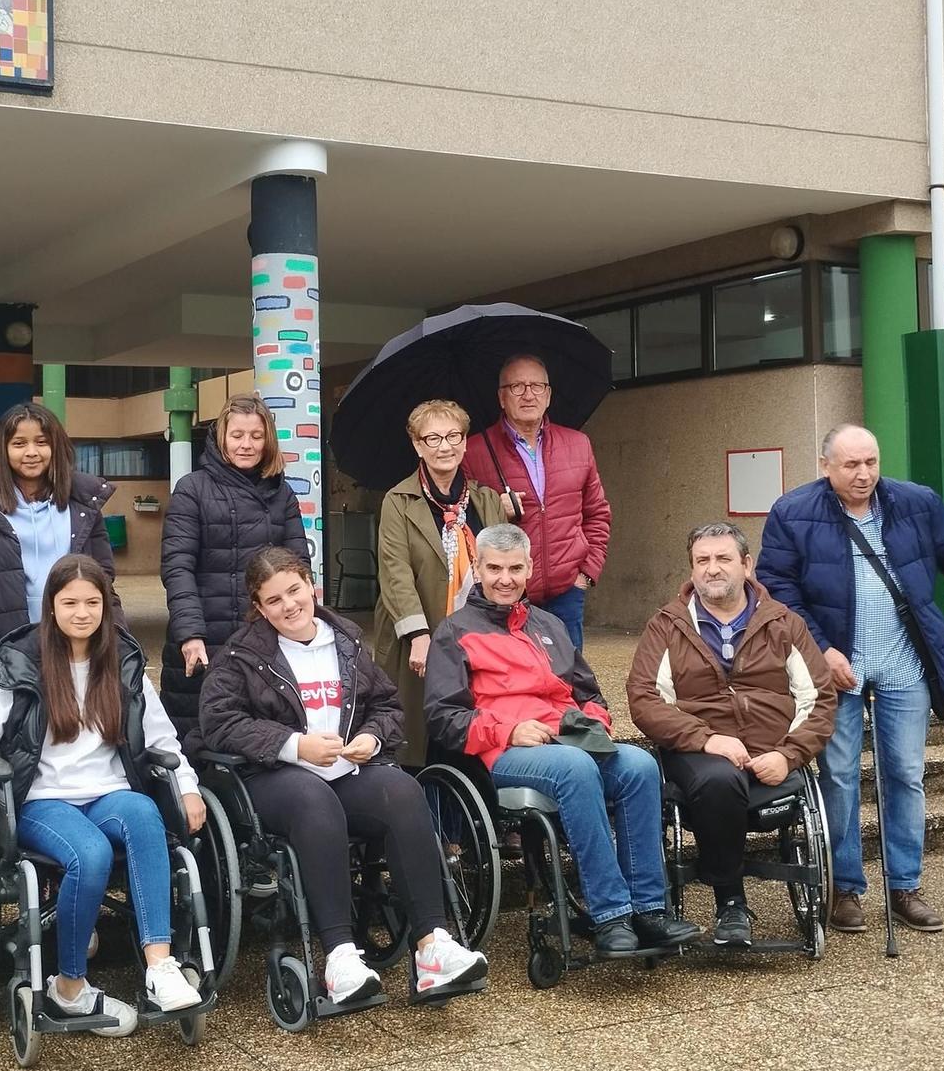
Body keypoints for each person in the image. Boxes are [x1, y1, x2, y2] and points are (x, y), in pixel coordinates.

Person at [202, 547, 487, 1003]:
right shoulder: (241, 655)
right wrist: (294, 745)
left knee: (402, 791)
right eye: (273, 600)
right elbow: (219, 721)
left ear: (311, 585)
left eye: (294, 591)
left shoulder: (346, 641)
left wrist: (372, 739)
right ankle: (339, 956)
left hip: (347, 769)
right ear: (258, 609)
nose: (289, 605)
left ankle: (432, 946)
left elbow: (386, 706)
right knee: (314, 801)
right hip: (274, 777)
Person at [755, 424, 944, 935]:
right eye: (850, 465)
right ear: (826, 466)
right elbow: (778, 591)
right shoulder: (792, 512)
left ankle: (904, 885)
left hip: (904, 661)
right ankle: (845, 888)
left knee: (905, 773)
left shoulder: (915, 504)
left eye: (871, 462)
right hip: (834, 668)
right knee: (840, 776)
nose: (863, 473)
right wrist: (821, 649)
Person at [0, 554, 206, 1031]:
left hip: (107, 792)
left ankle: (160, 967)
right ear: (51, 606)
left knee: (144, 813)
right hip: (41, 798)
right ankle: (69, 987)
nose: (83, 612)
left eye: (93, 602)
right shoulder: (17, 665)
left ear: (107, 607)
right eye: (70, 602)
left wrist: (187, 788)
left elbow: (162, 739)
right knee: (87, 854)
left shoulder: (125, 663)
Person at [426, 525, 699, 957]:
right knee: (576, 769)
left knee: (640, 765)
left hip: (568, 740)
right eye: (494, 568)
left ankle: (649, 910)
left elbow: (590, 694)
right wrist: (508, 730)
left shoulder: (549, 624)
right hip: (505, 754)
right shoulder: (454, 632)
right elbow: (443, 718)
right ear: (476, 569)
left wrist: (591, 723)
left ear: (530, 568)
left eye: (515, 568)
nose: (505, 578)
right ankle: (610, 914)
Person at [626, 523, 837, 946]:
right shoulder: (667, 625)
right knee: (719, 778)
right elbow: (644, 698)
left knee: (734, 779)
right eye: (702, 560)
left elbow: (820, 697)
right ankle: (731, 901)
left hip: (770, 751)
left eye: (723, 559)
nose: (712, 569)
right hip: (698, 751)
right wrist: (706, 739)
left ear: (746, 564)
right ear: (691, 568)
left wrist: (789, 754)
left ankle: (728, 881)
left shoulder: (783, 623)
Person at [370, 399, 514, 766]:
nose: (444, 446)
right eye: (432, 438)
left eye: (453, 436)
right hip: (418, 635)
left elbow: (501, 568)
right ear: (417, 445)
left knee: (473, 729)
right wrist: (418, 635)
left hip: (477, 635)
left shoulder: (485, 501)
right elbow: (395, 571)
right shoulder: (398, 501)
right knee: (419, 738)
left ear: (465, 442)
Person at [158, 394, 308, 731]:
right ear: (221, 436)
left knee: (265, 732)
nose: (246, 445)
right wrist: (190, 633)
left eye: (256, 436)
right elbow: (176, 566)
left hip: (267, 636)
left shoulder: (282, 494)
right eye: (237, 435)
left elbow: (298, 568)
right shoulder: (192, 489)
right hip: (206, 638)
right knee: (198, 734)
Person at [0, 400, 120, 682]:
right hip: (8, 652)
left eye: (41, 442)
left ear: (56, 446)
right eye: (19, 443)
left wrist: (118, 645)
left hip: (77, 649)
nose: (31, 452)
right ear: (3, 449)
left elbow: (103, 582)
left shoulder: (84, 504)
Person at [463, 354, 610, 651]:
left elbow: (597, 514)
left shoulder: (577, 444)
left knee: (568, 684)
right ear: (501, 397)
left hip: (566, 592)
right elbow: (460, 524)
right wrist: (494, 508)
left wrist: (585, 575)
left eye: (537, 386)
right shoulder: (475, 451)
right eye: (517, 386)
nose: (528, 394)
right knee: (511, 684)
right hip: (506, 592)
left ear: (549, 394)